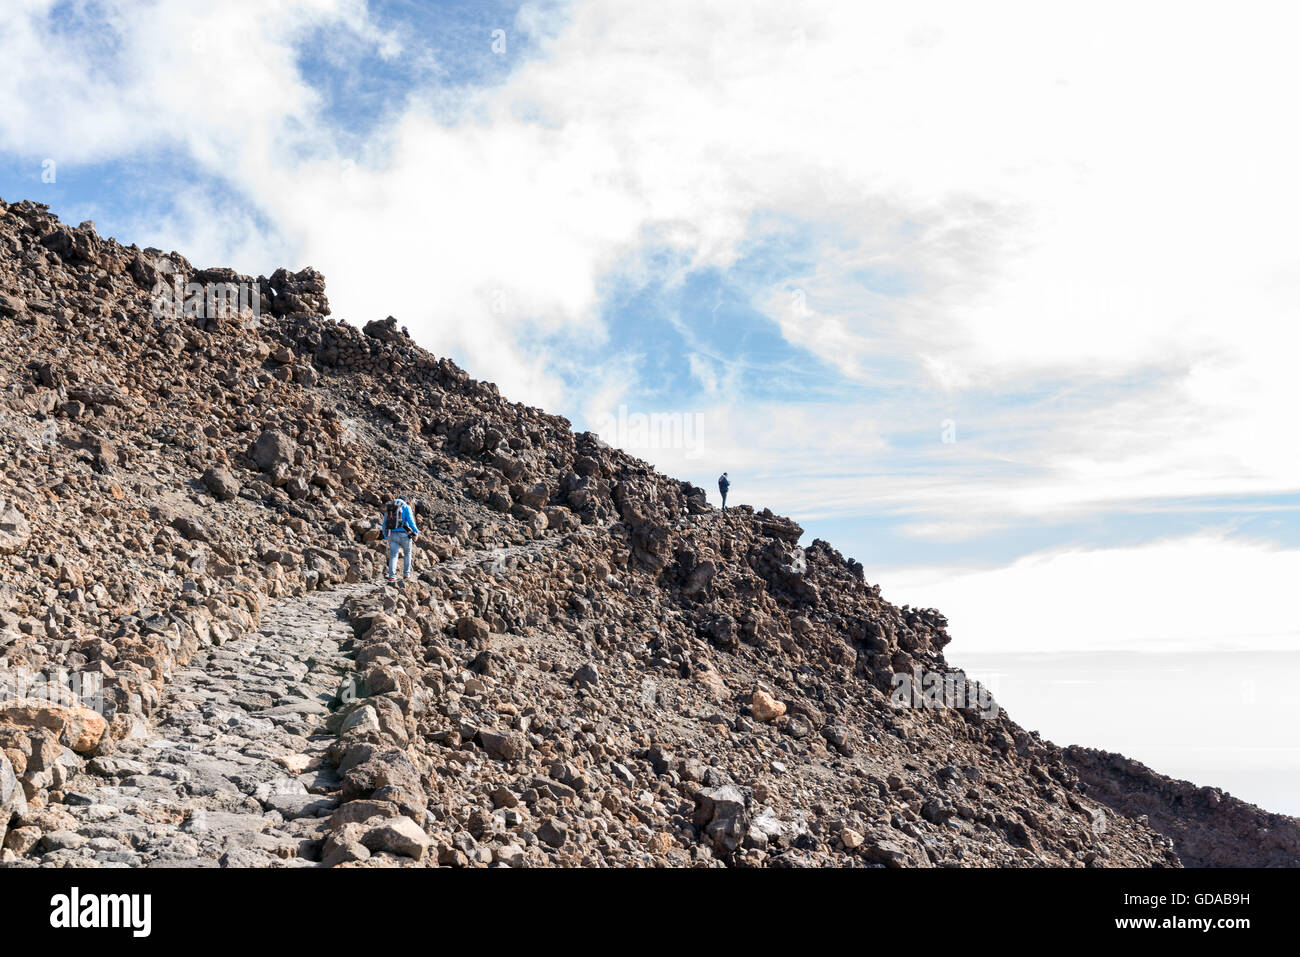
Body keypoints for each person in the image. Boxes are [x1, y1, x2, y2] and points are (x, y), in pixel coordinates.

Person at [382, 497, 420, 583]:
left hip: (392, 535)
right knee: (407, 553)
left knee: (394, 555)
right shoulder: (406, 507)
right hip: (404, 534)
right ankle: (406, 574)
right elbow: (411, 521)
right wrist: (416, 532)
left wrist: (386, 536)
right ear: (405, 501)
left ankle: (392, 576)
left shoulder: (390, 507)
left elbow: (384, 523)